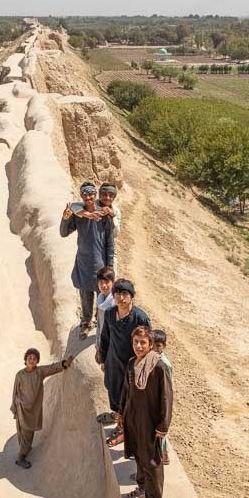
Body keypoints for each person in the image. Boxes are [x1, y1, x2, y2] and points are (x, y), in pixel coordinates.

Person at [121, 325, 173, 498]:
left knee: (153, 464)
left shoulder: (158, 367)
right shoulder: (132, 363)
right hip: (133, 420)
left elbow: (166, 397)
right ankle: (141, 489)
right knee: (139, 457)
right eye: (136, 342)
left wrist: (163, 425)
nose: (139, 346)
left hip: (151, 424)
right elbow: (127, 390)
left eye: (143, 342)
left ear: (151, 345)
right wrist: (121, 413)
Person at [97, 279, 150, 445]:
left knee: (128, 396)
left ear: (131, 297)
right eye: (118, 294)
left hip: (131, 366)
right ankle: (118, 415)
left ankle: (124, 428)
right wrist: (104, 359)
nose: (121, 298)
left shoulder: (140, 318)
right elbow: (105, 338)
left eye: (125, 294)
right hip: (113, 363)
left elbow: (149, 344)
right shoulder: (110, 314)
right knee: (113, 390)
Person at [60, 181, 115, 338]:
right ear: (82, 196)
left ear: (95, 195)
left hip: (100, 264)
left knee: (102, 296)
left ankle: (101, 324)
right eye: (85, 194)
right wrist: (65, 218)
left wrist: (109, 265)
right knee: (85, 295)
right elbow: (64, 233)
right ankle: (86, 323)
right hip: (84, 262)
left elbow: (110, 243)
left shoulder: (104, 215)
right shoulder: (78, 214)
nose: (88, 197)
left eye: (91, 194)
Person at [10, 348, 74, 469]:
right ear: (25, 360)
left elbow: (51, 368)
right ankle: (21, 457)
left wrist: (64, 364)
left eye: (34, 358)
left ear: (37, 361)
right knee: (24, 432)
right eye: (29, 358)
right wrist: (14, 407)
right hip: (22, 408)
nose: (32, 360)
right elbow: (15, 392)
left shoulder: (40, 372)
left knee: (29, 432)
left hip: (33, 410)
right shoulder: (20, 375)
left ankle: (25, 450)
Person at [94, 265, 117, 426]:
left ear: (112, 283)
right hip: (104, 348)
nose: (104, 285)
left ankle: (117, 418)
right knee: (109, 383)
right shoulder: (101, 300)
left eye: (107, 282)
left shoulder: (113, 305)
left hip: (112, 350)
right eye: (101, 282)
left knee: (115, 384)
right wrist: (97, 347)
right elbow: (100, 326)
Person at [150, 329, 173, 465]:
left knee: (159, 434)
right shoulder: (151, 359)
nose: (155, 348)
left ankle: (162, 456)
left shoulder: (164, 365)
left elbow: (167, 391)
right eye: (153, 345)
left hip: (160, 404)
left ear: (164, 346)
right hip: (154, 402)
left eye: (158, 346)